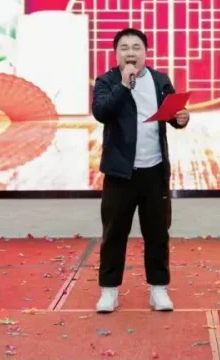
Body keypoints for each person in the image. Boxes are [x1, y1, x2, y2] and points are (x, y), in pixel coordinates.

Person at [91, 28, 190, 313]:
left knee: (157, 233)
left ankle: (158, 289)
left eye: (136, 47)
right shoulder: (107, 81)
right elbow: (101, 112)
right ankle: (109, 291)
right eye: (124, 48)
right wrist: (124, 85)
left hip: (154, 171)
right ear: (116, 53)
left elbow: (173, 115)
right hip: (120, 172)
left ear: (146, 52)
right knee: (114, 233)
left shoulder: (160, 80)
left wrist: (181, 118)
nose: (131, 53)